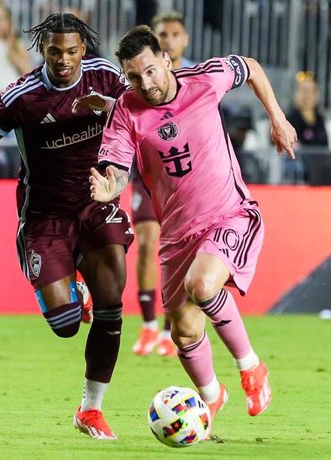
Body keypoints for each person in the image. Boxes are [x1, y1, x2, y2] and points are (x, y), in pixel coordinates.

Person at [90, 26, 297, 430]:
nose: (144, 83)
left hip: (228, 213)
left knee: (203, 285)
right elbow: (116, 169)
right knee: (183, 332)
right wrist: (107, 190)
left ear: (166, 60)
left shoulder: (205, 80)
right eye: (134, 77)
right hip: (176, 234)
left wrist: (277, 116)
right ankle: (210, 396)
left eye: (150, 71)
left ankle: (251, 367)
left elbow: (251, 67)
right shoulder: (126, 110)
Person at [0, 13, 132, 440]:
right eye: (55, 51)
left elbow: (138, 113)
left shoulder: (105, 77)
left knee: (113, 299)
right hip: (44, 217)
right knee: (66, 324)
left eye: (72, 51)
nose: (64, 60)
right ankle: (75, 293)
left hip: (96, 203)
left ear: (83, 49)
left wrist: (111, 111)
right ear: (43, 51)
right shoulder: (23, 96)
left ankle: (91, 409)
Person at [130, 10, 197, 358]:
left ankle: (176, 326)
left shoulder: (196, 79)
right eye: (162, 34)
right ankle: (147, 326)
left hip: (187, 178)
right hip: (147, 174)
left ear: (183, 41)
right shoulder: (142, 78)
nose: (168, 39)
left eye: (174, 34)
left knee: (185, 250)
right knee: (146, 241)